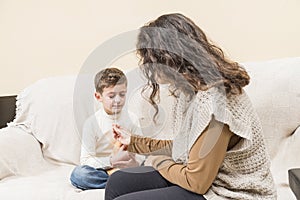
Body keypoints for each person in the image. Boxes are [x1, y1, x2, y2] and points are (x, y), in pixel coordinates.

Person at [105, 13, 277, 200]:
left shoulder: (216, 102)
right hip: (208, 183)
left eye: (149, 58)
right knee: (119, 182)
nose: (147, 66)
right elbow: (185, 148)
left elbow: (196, 182)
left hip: (231, 194)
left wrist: (155, 160)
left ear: (168, 57)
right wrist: (134, 142)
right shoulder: (191, 91)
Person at [70, 67, 143, 190]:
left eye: (122, 94)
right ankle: (119, 183)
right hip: (103, 170)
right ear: (98, 97)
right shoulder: (92, 123)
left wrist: (134, 162)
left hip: (127, 168)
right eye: (111, 96)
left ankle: (121, 182)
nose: (118, 100)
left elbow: (141, 151)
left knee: (152, 168)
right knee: (79, 174)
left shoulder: (132, 118)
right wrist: (112, 161)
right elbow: (86, 160)